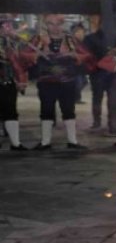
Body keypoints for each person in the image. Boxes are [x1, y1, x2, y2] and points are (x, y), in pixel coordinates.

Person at [23, 14, 93, 150]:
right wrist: (37, 55)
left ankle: (72, 141)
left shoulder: (71, 40)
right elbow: (24, 55)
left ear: (63, 24)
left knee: (69, 110)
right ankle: (45, 142)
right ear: (46, 25)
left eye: (58, 24)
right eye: (51, 24)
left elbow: (87, 55)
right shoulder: (38, 40)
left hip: (67, 80)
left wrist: (74, 55)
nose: (55, 27)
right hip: (46, 81)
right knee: (46, 110)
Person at [0, 19, 28, 150]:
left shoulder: (12, 42)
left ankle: (15, 143)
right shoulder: (7, 43)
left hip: (10, 81)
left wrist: (20, 79)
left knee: (11, 111)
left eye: (10, 27)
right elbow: (6, 56)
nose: (9, 29)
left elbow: (19, 62)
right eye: (6, 27)